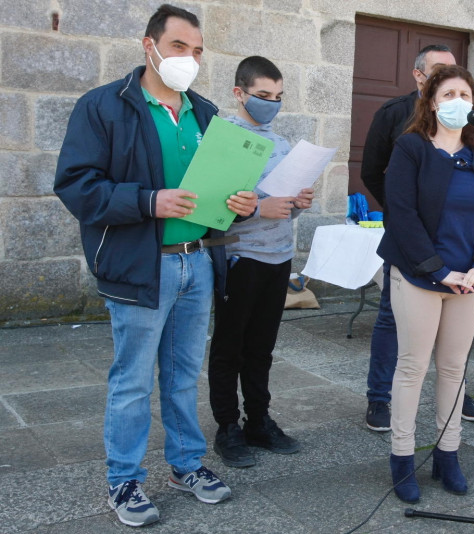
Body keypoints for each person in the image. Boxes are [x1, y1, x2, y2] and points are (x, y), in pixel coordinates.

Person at [54, 4, 257, 527]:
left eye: (196, 50)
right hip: (141, 265)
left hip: (199, 264)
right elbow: (77, 185)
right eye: (178, 47)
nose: (189, 58)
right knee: (132, 381)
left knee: (184, 374)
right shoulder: (104, 106)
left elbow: (224, 188)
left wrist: (242, 203)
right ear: (149, 46)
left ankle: (186, 465)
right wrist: (149, 201)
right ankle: (124, 479)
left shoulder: (206, 112)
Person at [376, 64, 474, 503]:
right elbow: (402, 214)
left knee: (453, 368)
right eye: (448, 94)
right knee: (412, 367)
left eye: (465, 95)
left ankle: (449, 454)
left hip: (469, 280)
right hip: (419, 274)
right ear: (431, 101)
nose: (457, 102)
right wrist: (437, 269)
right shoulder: (411, 147)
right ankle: (402, 457)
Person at [360, 44, 474, 432]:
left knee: (452, 356)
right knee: (392, 325)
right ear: (421, 79)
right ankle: (379, 398)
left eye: (462, 87)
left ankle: (453, 408)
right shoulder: (395, 117)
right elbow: (372, 171)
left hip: (460, 257)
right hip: (410, 249)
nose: (454, 91)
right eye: (441, 78)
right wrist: (407, 216)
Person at [207, 56, 315, 468]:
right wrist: (257, 211)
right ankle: (227, 427)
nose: (271, 103)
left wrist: (297, 205)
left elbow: (283, 208)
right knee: (229, 347)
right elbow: (209, 205)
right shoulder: (221, 138)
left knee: (262, 348)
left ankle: (259, 420)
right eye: (263, 95)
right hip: (240, 257)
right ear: (240, 93)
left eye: (278, 96)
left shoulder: (283, 144)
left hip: (278, 257)